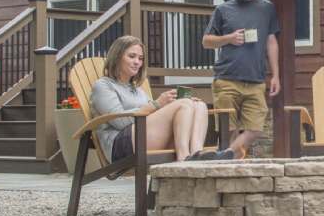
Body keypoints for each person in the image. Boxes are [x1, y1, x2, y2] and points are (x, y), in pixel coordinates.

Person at [89, 35, 224, 162]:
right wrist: (158, 103)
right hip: (120, 146)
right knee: (184, 105)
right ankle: (183, 157)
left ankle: (196, 152)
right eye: (132, 56)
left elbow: (154, 113)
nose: (137, 62)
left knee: (198, 105)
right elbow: (120, 121)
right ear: (117, 57)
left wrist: (168, 103)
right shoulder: (103, 86)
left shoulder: (137, 89)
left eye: (140, 58)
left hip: (143, 137)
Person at [202, 0, 280, 159]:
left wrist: (276, 75)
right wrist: (228, 38)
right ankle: (230, 166)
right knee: (229, 130)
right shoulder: (223, 10)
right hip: (227, 79)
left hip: (256, 80)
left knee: (255, 128)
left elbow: (271, 42)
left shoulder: (267, 9)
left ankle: (225, 156)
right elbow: (206, 41)